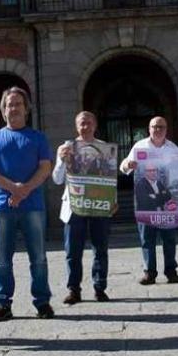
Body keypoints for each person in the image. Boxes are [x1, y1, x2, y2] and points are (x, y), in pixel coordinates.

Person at [0, 86, 55, 321]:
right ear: (3, 110)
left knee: (39, 258)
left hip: (33, 206)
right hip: (2, 207)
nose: (13, 108)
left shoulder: (38, 137)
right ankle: (2, 303)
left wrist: (24, 190)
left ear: (27, 109)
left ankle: (42, 302)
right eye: (9, 104)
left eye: (18, 104)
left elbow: (45, 168)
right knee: (2, 260)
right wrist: (15, 189)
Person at [120, 116, 178, 285]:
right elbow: (123, 167)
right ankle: (149, 272)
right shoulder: (139, 146)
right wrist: (128, 164)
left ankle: (171, 271)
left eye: (161, 127)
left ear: (166, 129)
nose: (157, 130)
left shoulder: (172, 148)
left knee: (170, 239)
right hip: (145, 205)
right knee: (147, 239)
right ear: (149, 129)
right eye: (154, 127)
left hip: (168, 204)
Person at [52, 111, 112, 305]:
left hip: (98, 205)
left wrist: (112, 200)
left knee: (100, 248)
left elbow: (109, 179)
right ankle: (73, 290)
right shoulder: (66, 147)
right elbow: (56, 178)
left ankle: (99, 288)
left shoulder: (104, 148)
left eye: (88, 123)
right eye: (81, 123)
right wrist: (61, 160)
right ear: (76, 126)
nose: (84, 127)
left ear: (95, 125)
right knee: (72, 252)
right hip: (74, 206)